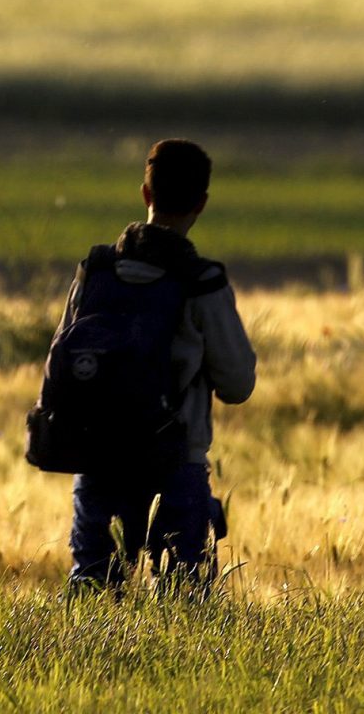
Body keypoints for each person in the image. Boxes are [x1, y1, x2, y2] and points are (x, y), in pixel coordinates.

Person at [62, 138, 258, 592]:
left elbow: (64, 359)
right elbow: (237, 383)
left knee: (92, 594)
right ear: (202, 204)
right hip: (178, 461)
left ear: (145, 195)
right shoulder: (202, 283)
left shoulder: (96, 270)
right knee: (186, 600)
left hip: (99, 458)